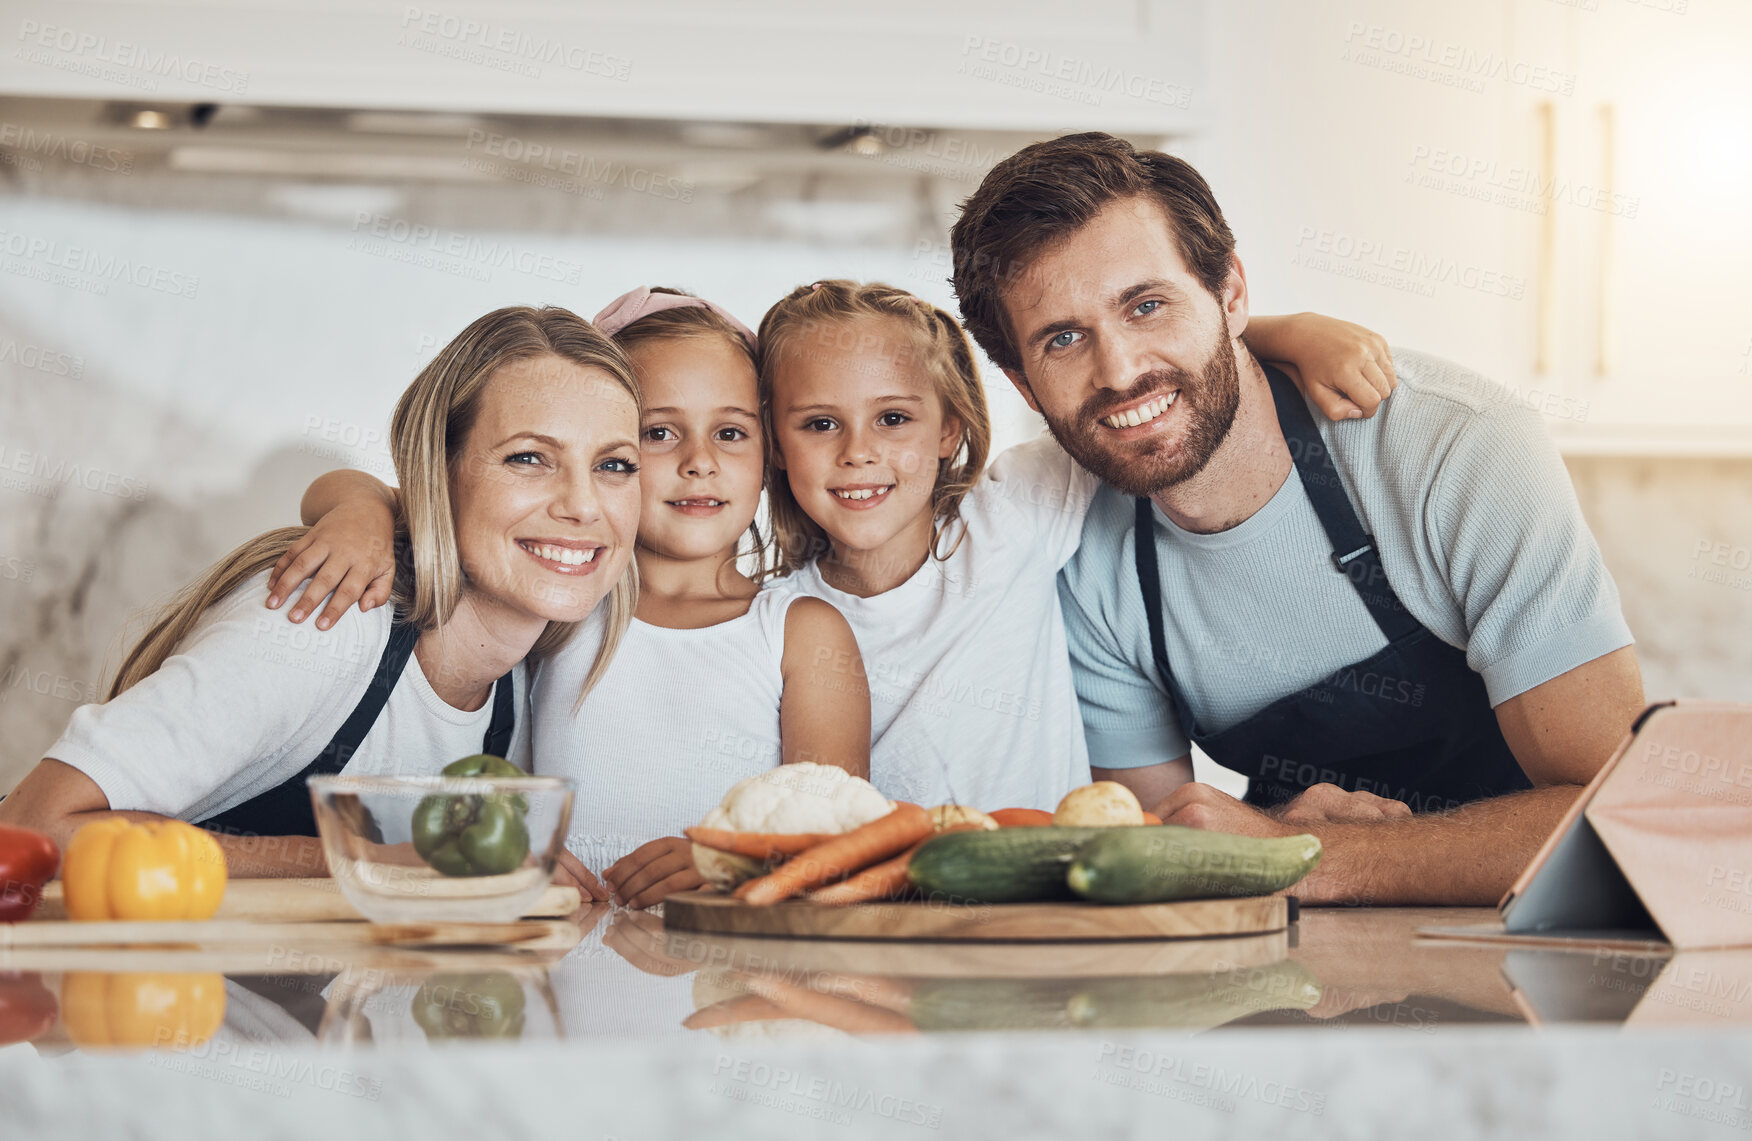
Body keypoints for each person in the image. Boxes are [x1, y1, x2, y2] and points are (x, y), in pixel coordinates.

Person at [948, 132, 1648, 905]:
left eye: (1147, 305)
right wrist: (1277, 841)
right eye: (1064, 339)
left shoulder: (1457, 448)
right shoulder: (1080, 559)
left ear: (1233, 294)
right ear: (1022, 384)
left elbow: (1619, 817)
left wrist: (1312, 853)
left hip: (1535, 958)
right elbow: (1152, 863)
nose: (1119, 372)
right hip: (1302, 974)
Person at [0, 306, 639, 891]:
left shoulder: (527, 683)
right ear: (434, 473)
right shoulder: (328, 619)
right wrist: (383, 860)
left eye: (614, 465)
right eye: (529, 458)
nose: (583, 505)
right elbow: (32, 827)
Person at [292, 287, 872, 909]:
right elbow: (378, 492)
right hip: (557, 955)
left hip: (725, 979)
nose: (699, 461)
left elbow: (840, 837)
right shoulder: (555, 592)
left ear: (771, 453)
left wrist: (734, 862)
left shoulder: (801, 632)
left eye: (730, 432)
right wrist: (360, 510)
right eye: (658, 433)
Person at [752, 281, 1391, 809]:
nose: (858, 451)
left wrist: (1290, 331)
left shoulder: (1010, 519)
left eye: (893, 419)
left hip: (1052, 912)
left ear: (949, 428)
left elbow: (1139, 392)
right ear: (775, 444)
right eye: (820, 423)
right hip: (887, 922)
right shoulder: (774, 621)